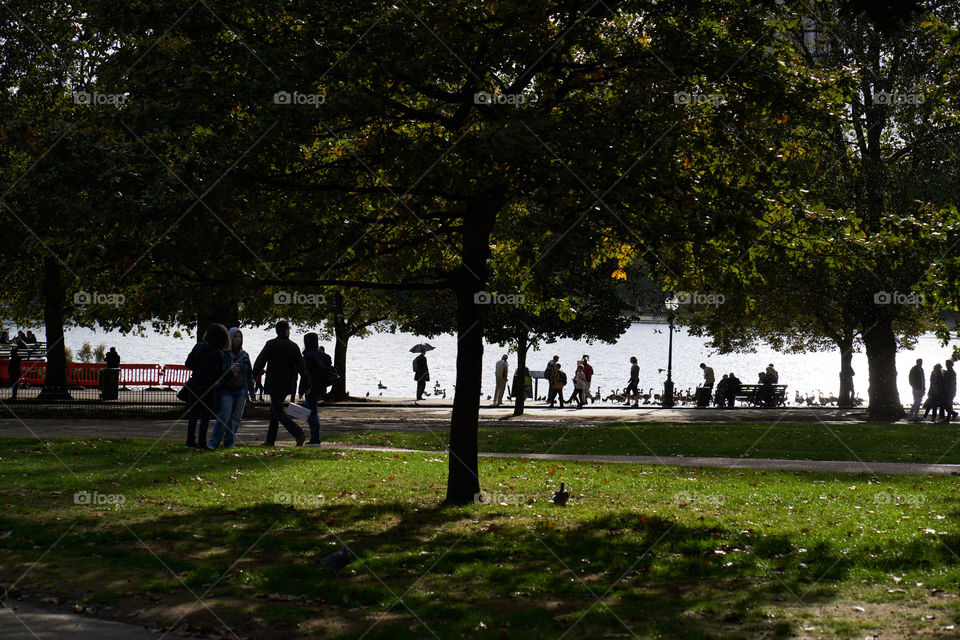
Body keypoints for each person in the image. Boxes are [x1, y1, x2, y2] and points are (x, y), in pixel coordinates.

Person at [253, 320, 310, 447]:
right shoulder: (293, 346)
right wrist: (306, 384)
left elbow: (260, 360)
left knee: (277, 411)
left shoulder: (271, 344)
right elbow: (302, 368)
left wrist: (253, 374)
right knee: (275, 411)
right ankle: (270, 440)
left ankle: (298, 433)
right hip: (287, 384)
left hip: (273, 382)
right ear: (286, 331)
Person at [184, 324, 230, 449]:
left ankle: (189, 440)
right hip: (208, 387)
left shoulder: (199, 346)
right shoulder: (218, 352)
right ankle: (202, 441)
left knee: (193, 414)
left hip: (194, 384)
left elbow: (188, 363)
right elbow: (219, 373)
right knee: (205, 415)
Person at [208, 328, 255, 450]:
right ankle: (214, 442)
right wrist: (229, 370)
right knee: (224, 416)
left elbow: (249, 375)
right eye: (235, 336)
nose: (237, 339)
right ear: (230, 338)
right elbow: (217, 372)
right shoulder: (224, 354)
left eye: (239, 337)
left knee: (236, 418)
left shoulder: (244, 355)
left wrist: (251, 393)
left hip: (240, 390)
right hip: (226, 390)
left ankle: (230, 441)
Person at [301, 333, 328, 445]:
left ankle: (315, 438)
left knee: (310, 413)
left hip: (311, 387)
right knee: (311, 411)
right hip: (321, 387)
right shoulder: (322, 355)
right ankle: (315, 437)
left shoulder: (308, 356)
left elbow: (305, 374)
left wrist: (304, 388)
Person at [908, 358, 925, 423]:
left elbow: (923, 379)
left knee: (918, 403)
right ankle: (910, 416)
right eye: (919, 362)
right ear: (917, 362)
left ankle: (915, 416)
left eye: (921, 362)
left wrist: (924, 387)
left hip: (921, 388)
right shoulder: (914, 369)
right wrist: (913, 386)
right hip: (916, 388)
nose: (921, 363)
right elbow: (910, 378)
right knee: (916, 402)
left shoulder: (921, 369)